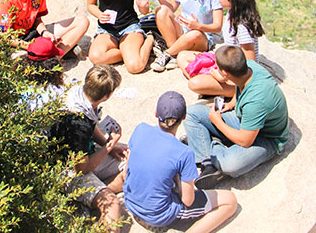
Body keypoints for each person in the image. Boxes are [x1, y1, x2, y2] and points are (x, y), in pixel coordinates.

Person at [123, 91, 237, 233]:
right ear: (183, 117)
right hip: (159, 215)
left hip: (131, 203)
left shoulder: (140, 129)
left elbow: (127, 170)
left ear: (156, 113)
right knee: (230, 200)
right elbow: (188, 200)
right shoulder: (184, 153)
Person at [184, 45, 289, 190]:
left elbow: (246, 141)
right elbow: (240, 86)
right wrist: (232, 103)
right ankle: (207, 163)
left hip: (266, 137)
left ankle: (210, 142)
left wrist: (218, 123)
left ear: (225, 73)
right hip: (244, 119)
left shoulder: (256, 101)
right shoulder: (249, 67)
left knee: (230, 164)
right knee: (191, 113)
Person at [52, 65, 128, 233]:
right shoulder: (79, 125)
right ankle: (90, 196)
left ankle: (88, 197)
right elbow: (82, 168)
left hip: (85, 153)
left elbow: (91, 122)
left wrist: (107, 142)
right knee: (113, 205)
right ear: (107, 95)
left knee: (129, 159)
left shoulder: (78, 94)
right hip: (66, 170)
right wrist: (109, 146)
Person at [179, 0, 265, 97]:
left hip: (236, 78)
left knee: (194, 84)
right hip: (226, 64)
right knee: (182, 56)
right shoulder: (232, 13)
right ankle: (211, 88)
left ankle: (219, 90)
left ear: (232, 0)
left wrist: (222, 77)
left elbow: (250, 65)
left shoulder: (242, 27)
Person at [150, 0, 223, 72]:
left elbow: (218, 26)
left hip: (200, 37)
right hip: (182, 30)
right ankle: (174, 54)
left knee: (195, 34)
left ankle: (168, 53)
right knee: (161, 10)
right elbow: (172, 8)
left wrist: (198, 26)